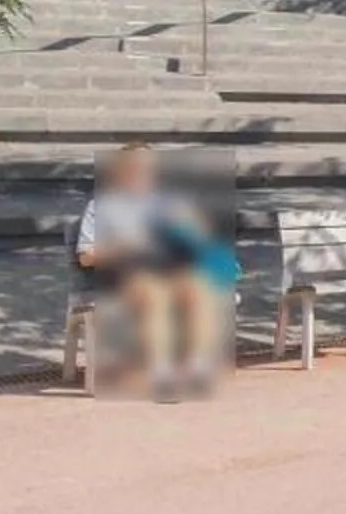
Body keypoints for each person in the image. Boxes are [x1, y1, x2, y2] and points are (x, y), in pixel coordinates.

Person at [76, 145, 233, 400]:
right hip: (125, 276)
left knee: (199, 287)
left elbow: (198, 242)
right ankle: (162, 375)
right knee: (155, 294)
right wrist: (125, 246)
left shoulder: (168, 202)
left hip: (169, 269)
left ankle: (197, 368)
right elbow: (86, 257)